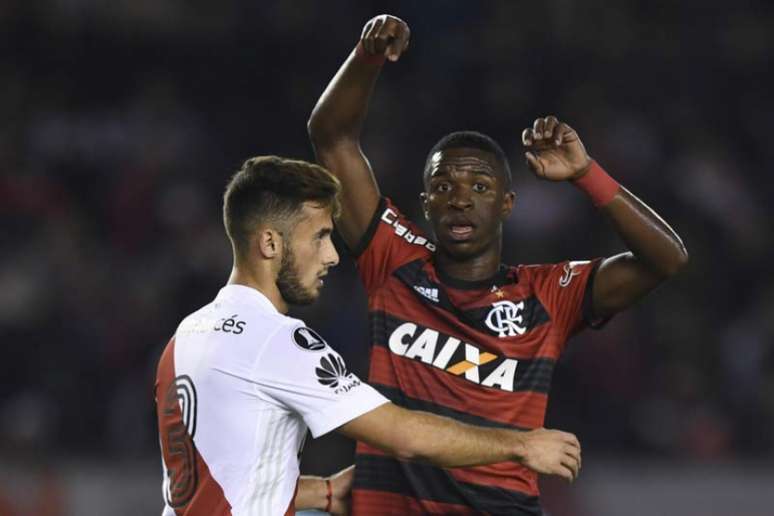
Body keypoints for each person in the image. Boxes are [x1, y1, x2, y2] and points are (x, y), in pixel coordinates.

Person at [307, 14, 689, 516]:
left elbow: (667, 258)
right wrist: (368, 55)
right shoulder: (393, 259)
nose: (461, 200)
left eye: (480, 188)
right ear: (426, 204)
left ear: (507, 203)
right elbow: (331, 136)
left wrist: (585, 174)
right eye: (444, 188)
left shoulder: (548, 295)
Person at [154, 156, 583, 516]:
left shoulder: (188, 335)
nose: (332, 255)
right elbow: (404, 435)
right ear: (269, 243)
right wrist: (521, 445)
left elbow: (213, 483)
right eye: (319, 237)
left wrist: (321, 492)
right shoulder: (277, 341)